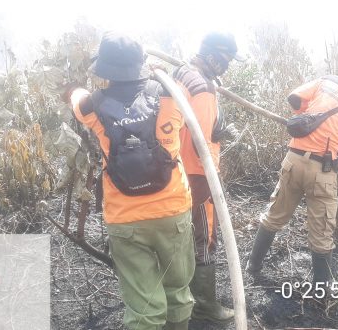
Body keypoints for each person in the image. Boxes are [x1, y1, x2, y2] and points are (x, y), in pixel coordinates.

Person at [67, 31, 194, 330]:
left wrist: (74, 89)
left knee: (144, 308)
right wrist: (160, 76)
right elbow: (185, 94)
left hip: (125, 219)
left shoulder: (91, 107)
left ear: (105, 70)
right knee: (178, 293)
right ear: (141, 65)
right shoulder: (171, 97)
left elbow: (76, 98)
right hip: (173, 211)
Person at [246, 68, 338, 286]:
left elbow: (295, 99)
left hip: (293, 160)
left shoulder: (329, 81)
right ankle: (321, 293)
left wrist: (310, 119)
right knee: (322, 234)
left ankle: (253, 267)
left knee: (274, 215)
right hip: (321, 172)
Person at [171, 31, 243, 323]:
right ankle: (204, 305)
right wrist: (205, 185)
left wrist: (217, 130)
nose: (226, 67)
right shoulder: (202, 88)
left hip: (177, 169)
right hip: (196, 173)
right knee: (205, 238)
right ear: (212, 57)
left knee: (185, 236)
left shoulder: (183, 73)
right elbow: (200, 143)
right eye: (225, 61)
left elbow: (194, 127)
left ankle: (184, 293)